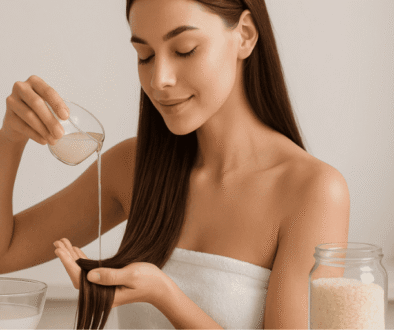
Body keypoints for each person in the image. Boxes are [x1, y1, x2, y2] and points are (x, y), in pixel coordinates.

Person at [0, 0, 350, 328]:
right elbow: (6, 251)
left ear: (244, 35)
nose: (159, 80)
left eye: (185, 50)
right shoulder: (133, 167)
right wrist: (10, 139)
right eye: (145, 55)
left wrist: (164, 294)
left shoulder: (312, 191)